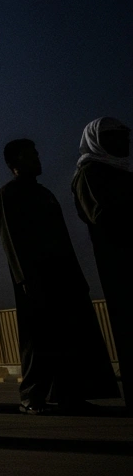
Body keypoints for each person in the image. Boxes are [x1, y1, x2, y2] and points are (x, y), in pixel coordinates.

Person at [0, 139, 119, 414]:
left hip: (62, 275)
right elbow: (11, 241)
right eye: (31, 155)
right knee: (36, 339)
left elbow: (62, 239)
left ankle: (70, 395)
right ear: (15, 162)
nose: (37, 159)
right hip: (34, 279)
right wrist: (24, 279)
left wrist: (76, 276)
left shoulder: (44, 194)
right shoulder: (7, 195)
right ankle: (31, 397)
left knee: (67, 337)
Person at [71, 117, 132, 408]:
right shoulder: (89, 174)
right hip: (121, 265)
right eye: (115, 137)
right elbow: (103, 217)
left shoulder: (121, 172)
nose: (124, 142)